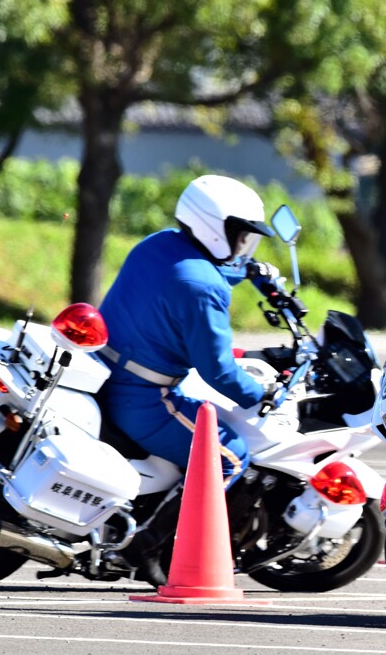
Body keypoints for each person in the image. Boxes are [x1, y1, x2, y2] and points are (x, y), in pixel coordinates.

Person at [96, 174, 276, 584]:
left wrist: (246, 272)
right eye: (241, 235)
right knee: (229, 458)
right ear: (216, 228)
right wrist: (264, 393)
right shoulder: (202, 288)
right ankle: (148, 544)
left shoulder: (158, 244)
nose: (244, 244)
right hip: (144, 396)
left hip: (110, 372)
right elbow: (218, 371)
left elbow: (190, 274)